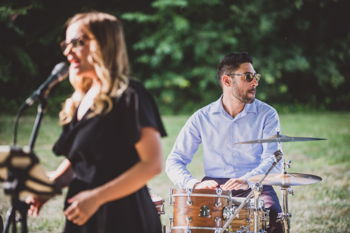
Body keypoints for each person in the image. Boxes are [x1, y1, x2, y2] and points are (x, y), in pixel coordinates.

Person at [27, 11, 166, 233]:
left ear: (104, 45)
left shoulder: (131, 95)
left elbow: (153, 164)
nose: (67, 51)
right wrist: (50, 186)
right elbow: (81, 162)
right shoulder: (80, 99)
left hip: (124, 217)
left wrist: (96, 198)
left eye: (77, 42)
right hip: (83, 214)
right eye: (66, 43)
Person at [166, 52, 283, 233]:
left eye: (255, 76)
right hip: (215, 187)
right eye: (248, 77)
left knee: (274, 217)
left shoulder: (267, 114)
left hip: (256, 184)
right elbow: (174, 160)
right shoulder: (201, 118)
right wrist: (194, 185)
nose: (255, 82)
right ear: (227, 81)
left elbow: (274, 160)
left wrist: (247, 180)